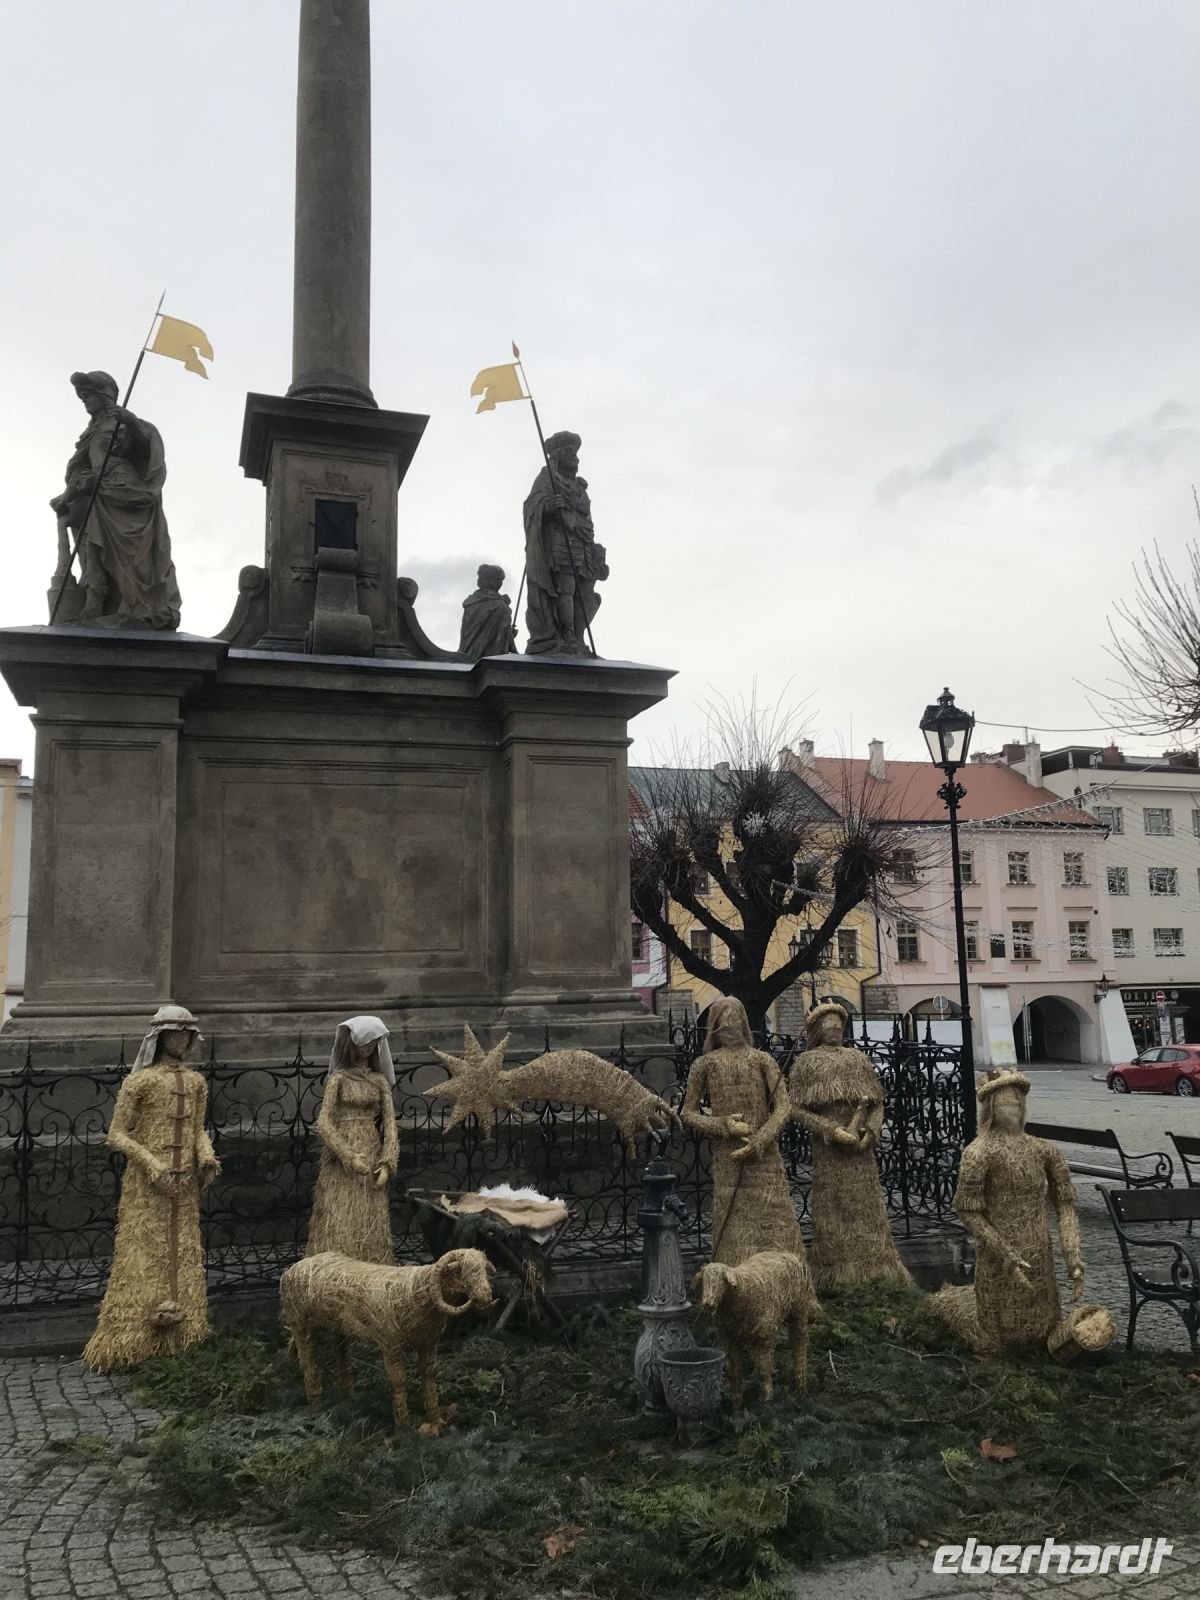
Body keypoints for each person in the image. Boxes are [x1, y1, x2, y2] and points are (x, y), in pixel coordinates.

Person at [931, 1070, 1113, 1356]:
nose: (1012, 1107)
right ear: (991, 1107)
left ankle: (1044, 1345)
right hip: (1000, 1256)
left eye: (1017, 1102)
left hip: (1039, 1251)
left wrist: (1073, 1257)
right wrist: (1005, 1252)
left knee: (1043, 1322)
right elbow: (967, 1210)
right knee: (999, 1327)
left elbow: (1065, 1205)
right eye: (1005, 1102)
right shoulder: (979, 1153)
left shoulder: (1044, 1150)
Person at [82, 1005, 218, 1371]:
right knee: (143, 1253)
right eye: (175, 1034)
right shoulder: (139, 1081)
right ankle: (132, 1340)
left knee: (183, 1250)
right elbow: (116, 1134)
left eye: (187, 1035)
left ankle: (182, 1335)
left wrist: (205, 1157)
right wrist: (152, 1163)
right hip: (147, 1186)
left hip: (184, 1184)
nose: (181, 1041)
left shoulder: (196, 1083)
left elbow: (196, 1130)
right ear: (159, 1037)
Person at [789, 1001, 912, 1290]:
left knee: (867, 1208)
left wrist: (872, 1129)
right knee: (835, 1209)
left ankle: (877, 1270)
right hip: (830, 1149)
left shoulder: (857, 1059)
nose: (834, 1033)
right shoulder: (807, 1063)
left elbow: (877, 1101)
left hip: (861, 1151)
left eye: (838, 1028)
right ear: (818, 1030)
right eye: (828, 1028)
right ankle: (835, 1273)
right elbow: (794, 1108)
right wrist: (829, 1128)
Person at [50, 369, 181, 629]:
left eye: (89, 395)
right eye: (82, 396)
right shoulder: (92, 431)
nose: (85, 401)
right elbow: (80, 466)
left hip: (123, 490)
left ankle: (137, 606)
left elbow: (146, 444)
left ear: (104, 395)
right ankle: (96, 600)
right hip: (98, 492)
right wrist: (68, 495)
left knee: (133, 556)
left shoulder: (122, 423)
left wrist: (129, 420)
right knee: (93, 547)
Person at [681, 996, 804, 1265]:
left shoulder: (762, 1060)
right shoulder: (704, 1065)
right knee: (735, 1222)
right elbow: (687, 1113)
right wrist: (722, 1124)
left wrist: (761, 1139)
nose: (730, 1033)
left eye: (735, 1027)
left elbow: (784, 1107)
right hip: (728, 1156)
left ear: (744, 1028)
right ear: (715, 1030)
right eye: (724, 1029)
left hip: (764, 1158)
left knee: (774, 1219)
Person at [307, 1015, 400, 1263]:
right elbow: (324, 1122)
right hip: (343, 1154)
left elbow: (390, 1123)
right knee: (339, 1214)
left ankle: (371, 1266)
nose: (366, 1048)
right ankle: (334, 1268)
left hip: (371, 1149)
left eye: (371, 1043)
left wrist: (388, 1160)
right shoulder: (338, 1079)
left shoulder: (380, 1081)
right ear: (351, 1044)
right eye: (361, 1043)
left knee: (368, 1212)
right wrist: (347, 1155)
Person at [522, 431, 607, 655]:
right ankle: (567, 634)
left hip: (583, 543)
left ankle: (578, 638)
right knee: (566, 589)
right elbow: (532, 505)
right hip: (560, 541)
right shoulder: (548, 478)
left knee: (585, 593)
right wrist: (549, 505)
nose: (576, 458)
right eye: (570, 453)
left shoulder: (580, 486)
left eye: (577, 454)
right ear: (558, 455)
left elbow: (587, 516)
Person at [458, 563, 516, 658]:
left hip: (468, 655)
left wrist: (509, 634)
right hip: (490, 662)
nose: (501, 583)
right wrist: (511, 642)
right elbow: (501, 637)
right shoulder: (501, 607)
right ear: (493, 581)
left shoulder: (472, 602)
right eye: (500, 580)